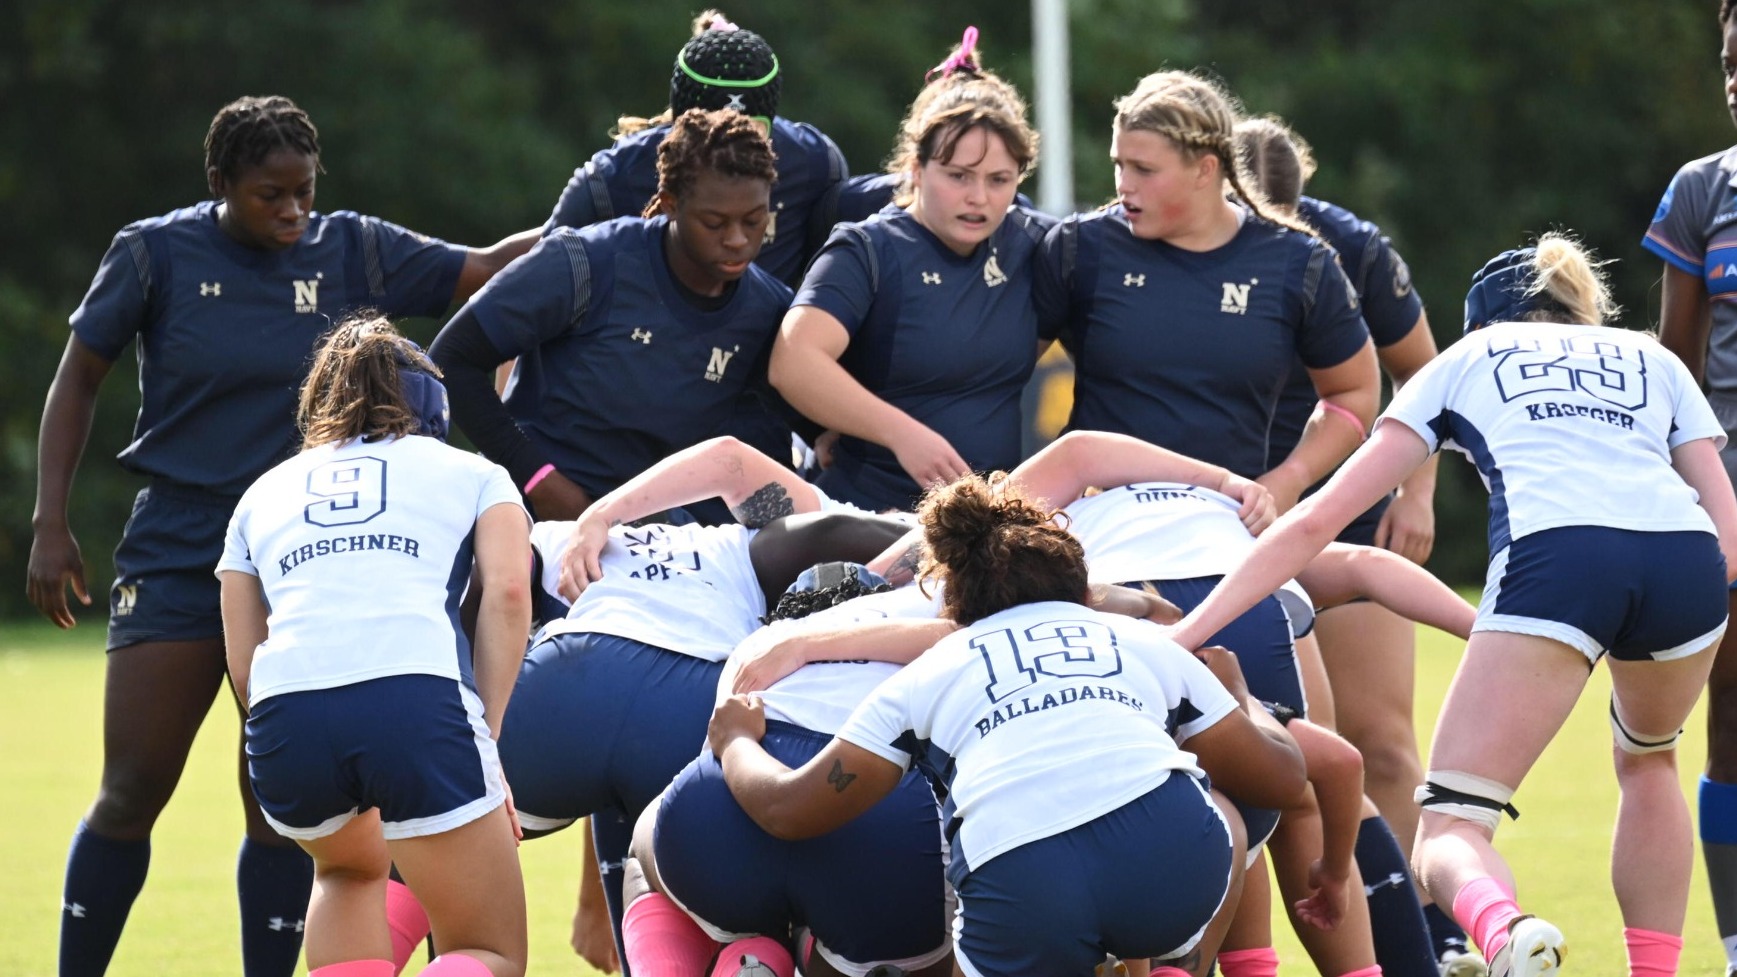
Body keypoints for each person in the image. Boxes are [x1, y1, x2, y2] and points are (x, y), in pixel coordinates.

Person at [27, 95, 536, 977]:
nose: (296, 211)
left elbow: (483, 269)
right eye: (272, 194)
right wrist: (49, 521)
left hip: (311, 556)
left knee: (286, 810)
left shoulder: (354, 247)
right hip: (188, 539)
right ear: (219, 183)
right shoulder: (155, 252)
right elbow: (77, 378)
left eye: (306, 191)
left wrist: (591, 222)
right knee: (133, 785)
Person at [1169, 235, 1737, 977]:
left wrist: (1188, 629)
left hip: (1557, 557)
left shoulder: (1464, 359)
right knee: (1648, 759)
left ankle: (1503, 932)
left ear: (1480, 320)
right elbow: (1726, 531)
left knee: (1446, 825)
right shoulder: (1651, 358)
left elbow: (1312, 522)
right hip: (1685, 561)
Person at [709, 474, 1312, 977]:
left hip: (1024, 884)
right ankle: (1178, 962)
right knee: (1225, 821)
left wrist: (735, 739)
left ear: (952, 607)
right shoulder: (1140, 641)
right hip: (1175, 873)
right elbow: (1283, 782)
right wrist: (1241, 695)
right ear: (1083, 589)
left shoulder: (927, 673)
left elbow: (791, 810)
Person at [492, 437, 912, 970]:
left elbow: (492, 588)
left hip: (568, 677)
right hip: (711, 705)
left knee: (426, 853)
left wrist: (596, 516)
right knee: (733, 906)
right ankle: (756, 946)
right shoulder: (774, 546)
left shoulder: (561, 537)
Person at [218, 317, 531, 977]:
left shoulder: (258, 493)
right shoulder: (475, 473)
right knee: (488, 948)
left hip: (283, 719)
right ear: (434, 405)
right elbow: (507, 594)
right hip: (416, 699)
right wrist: (487, 738)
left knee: (348, 872)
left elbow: (244, 657)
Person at [1236, 116, 1463, 976]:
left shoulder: (1350, 250)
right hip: (1235, 516)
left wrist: (1415, 486)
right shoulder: (1163, 237)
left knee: (1381, 743)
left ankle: (1416, 927)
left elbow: (1422, 367)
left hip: (1346, 505)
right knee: (1272, 738)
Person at [1034, 71, 1379, 514]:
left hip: (1220, 527)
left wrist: (1289, 478)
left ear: (1205, 169)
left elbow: (1355, 393)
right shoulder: (1080, 249)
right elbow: (996, 375)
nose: (1123, 184)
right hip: (1095, 528)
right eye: (1119, 164)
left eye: (1144, 169)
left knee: (1363, 567)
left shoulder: (1299, 263)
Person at [430, 108, 792, 523]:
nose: (736, 240)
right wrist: (539, 481)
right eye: (714, 222)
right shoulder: (582, 264)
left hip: (673, 551)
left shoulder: (771, 310)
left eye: (754, 220)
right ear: (670, 204)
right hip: (541, 523)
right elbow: (449, 361)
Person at [769, 27, 1055, 511]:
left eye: (999, 180)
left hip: (984, 527)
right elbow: (792, 361)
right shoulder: (867, 247)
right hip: (869, 511)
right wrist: (898, 431)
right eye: (958, 176)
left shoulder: (1036, 243)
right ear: (916, 169)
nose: (979, 197)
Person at [623, 566, 953, 977]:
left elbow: (720, 742)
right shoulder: (933, 626)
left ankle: (745, 961)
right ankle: (795, 949)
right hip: (887, 818)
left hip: (726, 804)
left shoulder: (760, 644)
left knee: (646, 836)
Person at [1642, 9, 1737, 967]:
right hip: (1728, 507)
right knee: (1732, 730)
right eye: (1726, 65)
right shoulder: (1700, 191)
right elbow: (1673, 372)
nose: (1735, 82)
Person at [546, 10, 847, 288]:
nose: (731, 148)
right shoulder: (611, 179)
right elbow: (547, 277)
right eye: (710, 132)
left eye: (750, 131)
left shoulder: (817, 166)